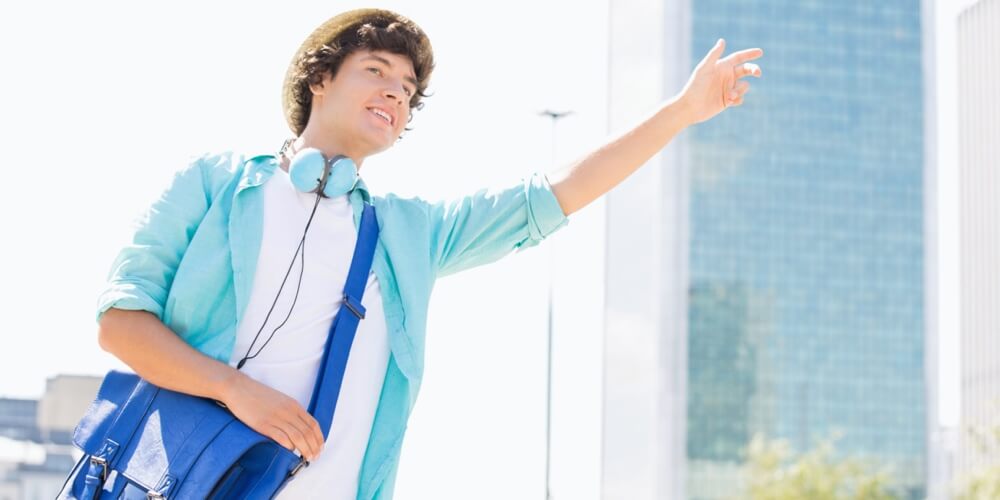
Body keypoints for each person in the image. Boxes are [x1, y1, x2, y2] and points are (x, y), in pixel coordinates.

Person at [94, 7, 762, 499]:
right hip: (176, 481)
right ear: (319, 78)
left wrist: (680, 112)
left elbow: (554, 194)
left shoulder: (408, 233)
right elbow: (119, 323)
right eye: (377, 72)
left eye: (408, 91)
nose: (395, 93)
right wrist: (237, 392)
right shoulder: (216, 184)